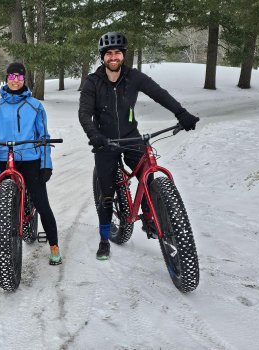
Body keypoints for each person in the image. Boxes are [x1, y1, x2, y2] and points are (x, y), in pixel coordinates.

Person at [78, 32, 199, 260]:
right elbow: (84, 113)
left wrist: (181, 113)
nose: (113, 57)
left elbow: (159, 94)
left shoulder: (134, 77)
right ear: (103, 57)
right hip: (105, 142)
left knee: (148, 176)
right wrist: (94, 135)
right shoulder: (92, 82)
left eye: (117, 53)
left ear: (123, 55)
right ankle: (105, 239)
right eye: (109, 53)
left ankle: (151, 218)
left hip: (131, 137)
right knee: (106, 195)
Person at [0, 62, 61, 265]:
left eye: (19, 77)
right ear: (6, 78)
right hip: (4, 161)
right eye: (12, 76)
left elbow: (44, 136)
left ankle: (53, 244)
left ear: (24, 79)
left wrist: (46, 164)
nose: (15, 81)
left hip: (30, 161)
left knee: (41, 202)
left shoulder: (35, 106)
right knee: (1, 208)